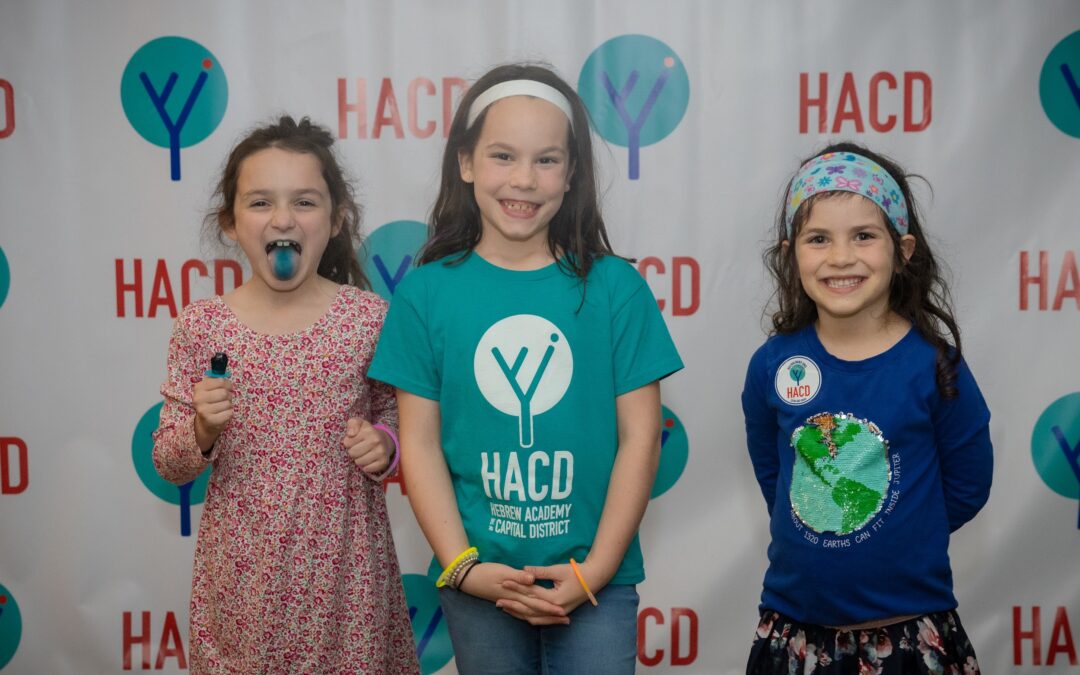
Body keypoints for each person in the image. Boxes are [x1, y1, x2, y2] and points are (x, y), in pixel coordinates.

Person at [368, 63, 683, 674]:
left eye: (546, 160)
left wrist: (594, 571)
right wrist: (464, 568)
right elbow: (420, 446)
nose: (524, 179)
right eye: (503, 156)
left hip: (597, 582)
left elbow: (641, 438)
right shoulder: (425, 295)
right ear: (466, 162)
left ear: (572, 173)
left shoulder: (615, 288)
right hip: (478, 582)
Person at [152, 115, 419, 674]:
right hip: (243, 593)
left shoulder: (369, 319)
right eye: (260, 203)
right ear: (230, 223)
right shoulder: (202, 326)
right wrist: (201, 430)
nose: (282, 218)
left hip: (347, 587)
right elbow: (170, 465)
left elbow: (401, 427)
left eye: (304, 202)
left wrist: (384, 444)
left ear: (336, 218)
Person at [741, 142, 992, 673]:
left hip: (912, 631)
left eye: (863, 235)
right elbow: (775, 475)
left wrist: (904, 527)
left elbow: (967, 484)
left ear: (903, 250)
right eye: (818, 239)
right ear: (791, 254)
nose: (840, 257)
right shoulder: (772, 365)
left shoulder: (934, 365)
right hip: (794, 630)